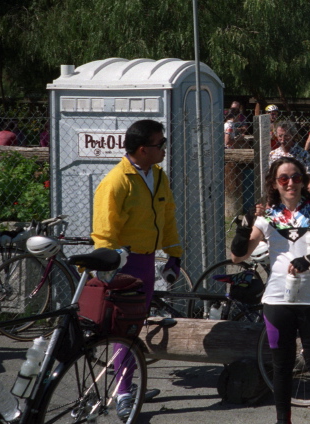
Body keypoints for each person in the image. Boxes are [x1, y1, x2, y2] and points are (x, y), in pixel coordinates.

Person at [230, 157, 310, 424]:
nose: (291, 183)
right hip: (277, 299)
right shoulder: (267, 216)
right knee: (282, 367)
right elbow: (238, 257)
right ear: (274, 183)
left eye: (296, 177)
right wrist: (246, 224)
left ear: (304, 180)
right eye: (284, 178)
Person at [91, 119, 182, 418]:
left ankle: (129, 381)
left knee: (135, 327)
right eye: (160, 144)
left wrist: (174, 254)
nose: (164, 148)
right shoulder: (116, 181)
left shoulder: (158, 175)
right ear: (143, 150)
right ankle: (124, 393)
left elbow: (167, 217)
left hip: (147, 261)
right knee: (124, 329)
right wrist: (111, 269)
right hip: (124, 264)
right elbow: (105, 232)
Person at [271, 121, 310, 198]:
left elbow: (309, 180)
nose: (282, 140)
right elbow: (271, 179)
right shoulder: (273, 155)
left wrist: (307, 199)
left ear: (292, 135)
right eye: (280, 136)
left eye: (286, 136)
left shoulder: (303, 154)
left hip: (298, 194)